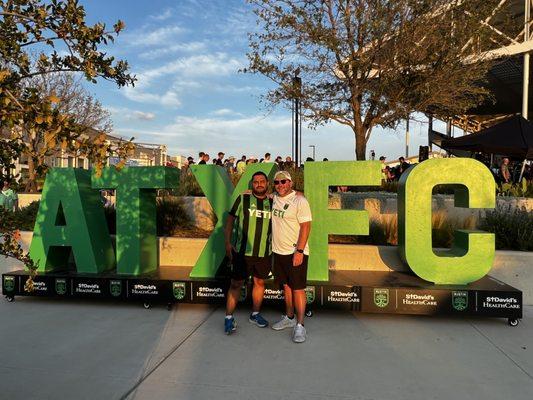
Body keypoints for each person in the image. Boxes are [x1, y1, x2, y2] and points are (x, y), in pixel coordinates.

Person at [224, 171, 273, 335]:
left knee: (259, 283)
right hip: (242, 252)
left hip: (264, 252)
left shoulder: (274, 203)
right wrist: (227, 242)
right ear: (252, 184)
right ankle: (229, 318)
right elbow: (230, 220)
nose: (259, 184)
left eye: (262, 181)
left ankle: (255, 314)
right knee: (236, 284)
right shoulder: (243, 199)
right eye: (256, 181)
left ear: (267, 184)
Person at [270, 171, 312, 343]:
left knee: (298, 288)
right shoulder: (274, 198)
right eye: (277, 182)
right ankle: (289, 317)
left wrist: (300, 251)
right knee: (286, 287)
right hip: (278, 252)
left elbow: (306, 227)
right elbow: (263, 193)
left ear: (290, 183)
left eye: (284, 181)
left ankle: (300, 325)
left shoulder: (300, 201)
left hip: (295, 252)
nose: (280, 185)